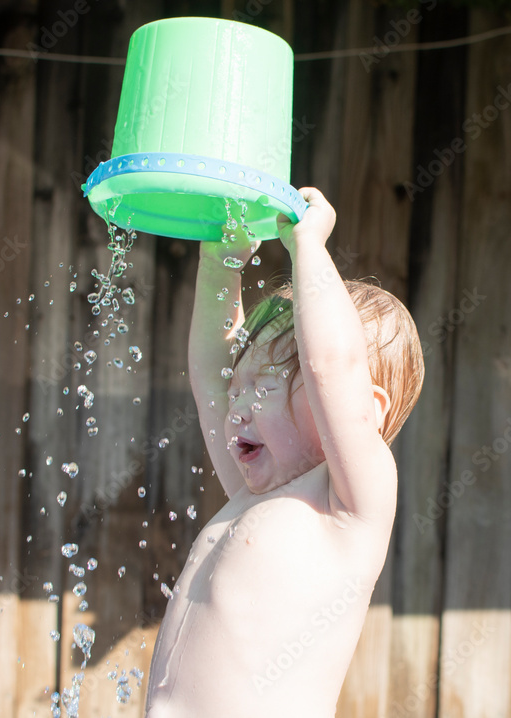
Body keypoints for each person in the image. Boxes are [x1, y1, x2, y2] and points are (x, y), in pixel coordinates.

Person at [144, 188, 425, 717]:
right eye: (241, 388)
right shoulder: (254, 492)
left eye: (266, 386)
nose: (237, 407)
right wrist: (219, 263)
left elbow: (332, 368)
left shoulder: (348, 506)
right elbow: (212, 371)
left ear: (364, 406)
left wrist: (308, 249)